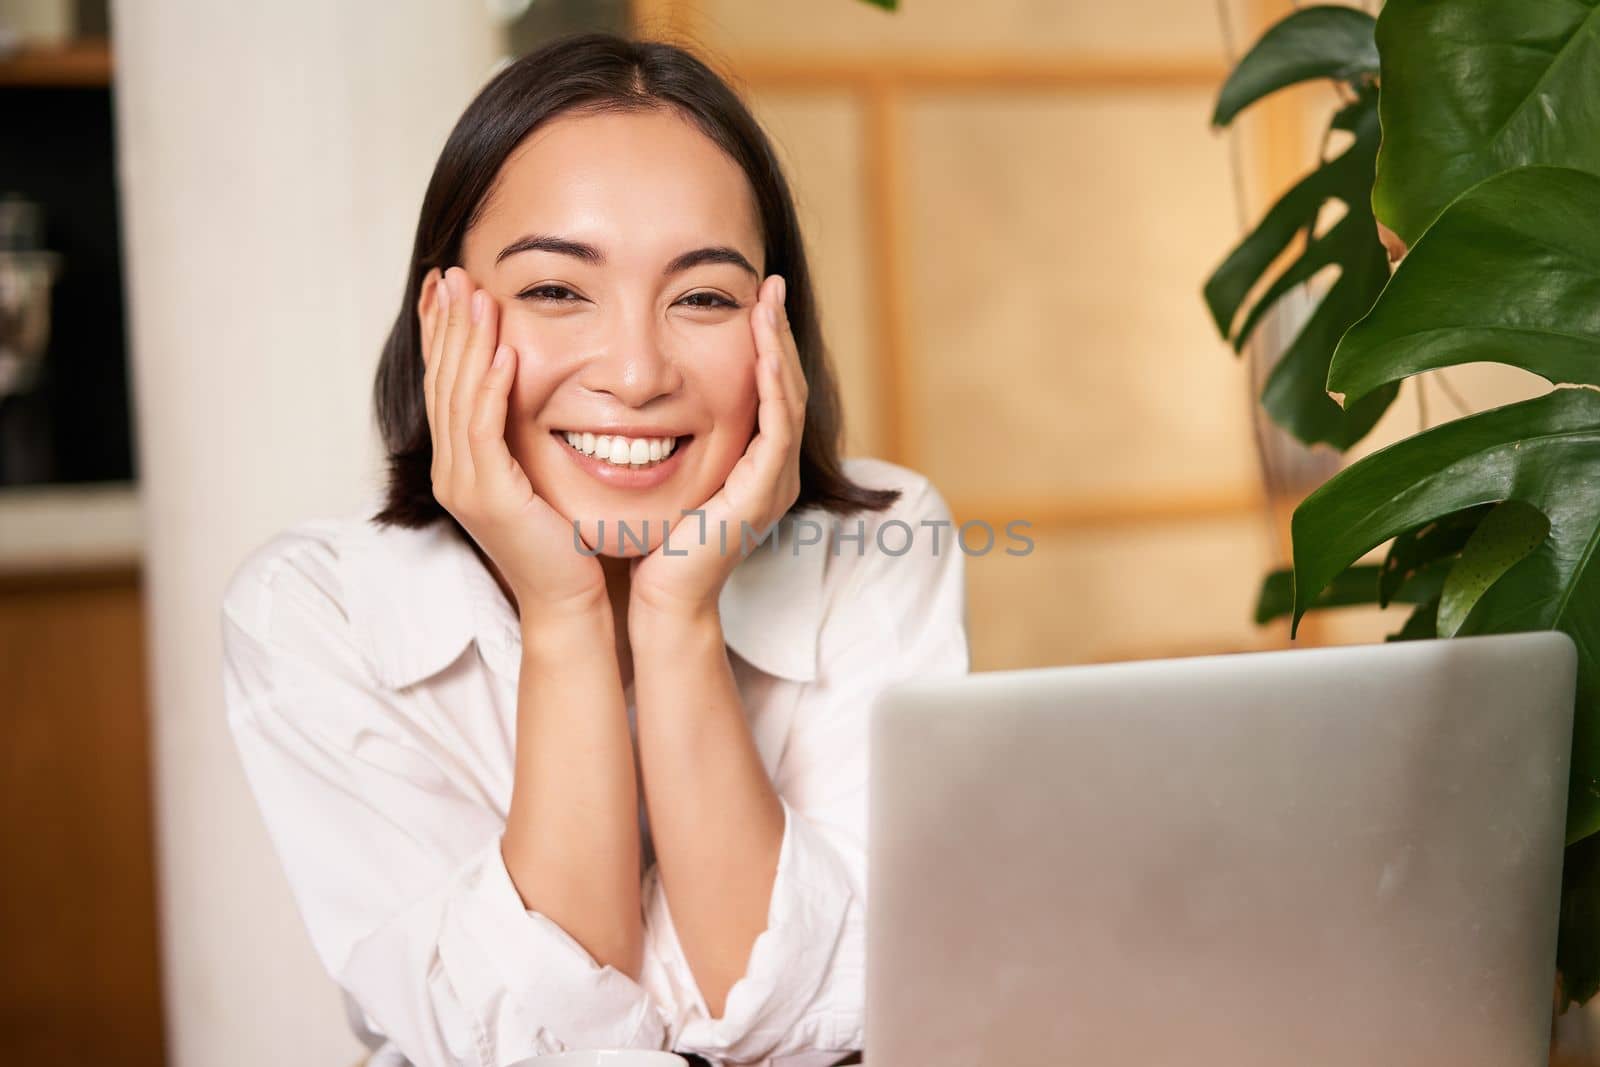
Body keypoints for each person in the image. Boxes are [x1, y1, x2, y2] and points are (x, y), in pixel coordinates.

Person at [220, 30, 968, 1067]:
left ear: (774, 332)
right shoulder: (312, 607)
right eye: (555, 290)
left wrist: (676, 617)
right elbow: (535, 1044)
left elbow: (831, 1012)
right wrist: (565, 613)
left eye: (702, 296)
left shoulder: (881, 539)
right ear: (443, 319)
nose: (633, 370)